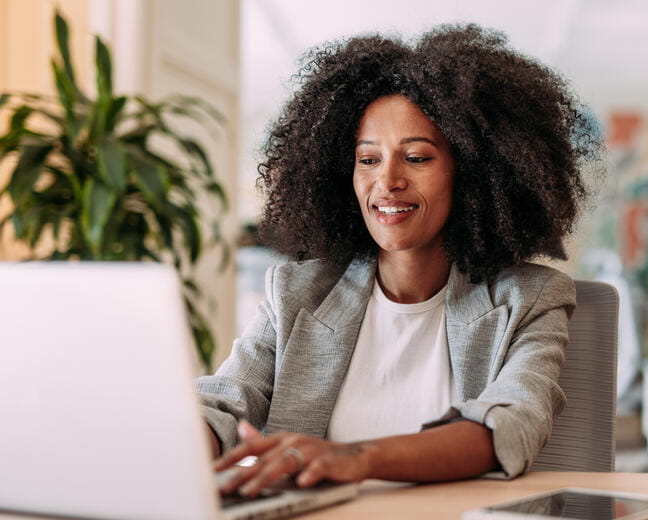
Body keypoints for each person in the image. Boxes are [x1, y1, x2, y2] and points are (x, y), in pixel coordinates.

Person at [198, 24, 601, 497]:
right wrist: (177, 443)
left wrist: (356, 458)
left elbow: (511, 426)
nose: (386, 181)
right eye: (368, 160)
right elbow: (223, 404)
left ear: (470, 173)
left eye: (416, 157)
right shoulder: (294, 294)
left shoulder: (529, 298)